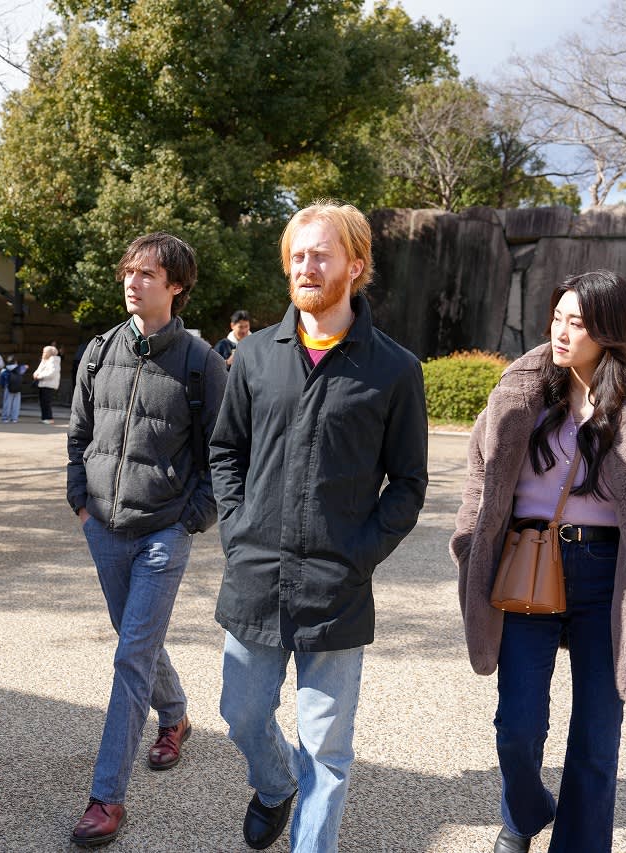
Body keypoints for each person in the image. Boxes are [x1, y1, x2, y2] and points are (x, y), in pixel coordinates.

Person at [450, 270, 626, 853]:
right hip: (526, 559)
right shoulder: (522, 387)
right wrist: (468, 538)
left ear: (612, 330)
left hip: (613, 574)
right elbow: (479, 468)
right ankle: (524, 812)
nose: (561, 333)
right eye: (557, 318)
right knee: (517, 726)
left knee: (596, 736)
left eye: (578, 323)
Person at [210, 201, 428, 853]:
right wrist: (238, 529)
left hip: (337, 588)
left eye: (321, 254)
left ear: (355, 266)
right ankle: (273, 783)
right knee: (241, 714)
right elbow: (226, 450)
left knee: (327, 751)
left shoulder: (394, 369)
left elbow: (408, 484)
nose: (305, 266)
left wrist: (360, 552)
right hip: (255, 577)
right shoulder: (254, 356)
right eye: (297, 255)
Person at [66, 232, 227, 848]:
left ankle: (107, 796)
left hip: (164, 531)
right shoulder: (99, 351)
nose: (133, 283)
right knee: (134, 636)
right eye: (129, 272)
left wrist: (191, 520)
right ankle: (176, 714)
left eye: (148, 275)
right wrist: (80, 502)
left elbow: (222, 455)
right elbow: (79, 433)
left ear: (176, 287)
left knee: (131, 655)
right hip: (104, 527)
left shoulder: (201, 362)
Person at [33, 344, 62, 423]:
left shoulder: (54, 360)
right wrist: (35, 374)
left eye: (45, 352)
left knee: (46, 402)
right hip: (43, 384)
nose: (43, 353)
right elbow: (39, 369)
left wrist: (40, 376)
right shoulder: (45, 360)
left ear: (50, 353)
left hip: (49, 384)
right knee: (42, 402)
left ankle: (49, 418)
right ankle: (44, 418)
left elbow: (52, 373)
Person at [0, 355, 29, 423]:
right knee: (16, 404)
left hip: (8, 387)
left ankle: (5, 418)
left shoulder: (4, 370)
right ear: (15, 362)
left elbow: (1, 381)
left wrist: (3, 386)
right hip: (17, 387)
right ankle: (14, 418)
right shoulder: (20, 368)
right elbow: (26, 367)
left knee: (7, 403)